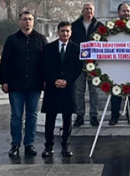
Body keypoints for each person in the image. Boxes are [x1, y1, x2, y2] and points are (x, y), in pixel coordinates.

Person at [0, 11, 48, 158]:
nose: (28, 22)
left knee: (32, 115)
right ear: (19, 21)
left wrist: (46, 80)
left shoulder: (40, 39)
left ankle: (29, 143)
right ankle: (15, 143)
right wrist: (4, 81)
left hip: (35, 84)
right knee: (16, 115)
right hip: (16, 84)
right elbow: (5, 62)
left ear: (34, 22)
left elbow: (47, 62)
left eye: (30, 19)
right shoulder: (11, 40)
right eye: (25, 19)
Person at [40, 22, 83, 158]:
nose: (65, 33)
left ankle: (66, 145)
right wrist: (54, 80)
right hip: (53, 87)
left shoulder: (76, 48)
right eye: (62, 31)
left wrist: (67, 81)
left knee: (67, 118)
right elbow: (44, 66)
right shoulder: (48, 48)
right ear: (58, 32)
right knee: (50, 117)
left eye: (67, 31)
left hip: (68, 87)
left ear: (71, 33)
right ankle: (48, 146)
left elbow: (78, 68)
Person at [71, 3, 104, 127]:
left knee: (94, 91)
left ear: (94, 11)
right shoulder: (74, 26)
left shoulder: (100, 26)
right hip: (79, 63)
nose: (88, 11)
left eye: (91, 9)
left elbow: (104, 43)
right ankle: (80, 115)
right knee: (79, 91)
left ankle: (93, 115)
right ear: (82, 11)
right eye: (86, 9)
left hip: (94, 64)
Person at [109, 2, 130, 125]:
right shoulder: (111, 29)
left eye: (128, 11)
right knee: (116, 91)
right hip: (116, 65)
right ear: (119, 12)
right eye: (124, 11)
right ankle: (114, 116)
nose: (126, 13)